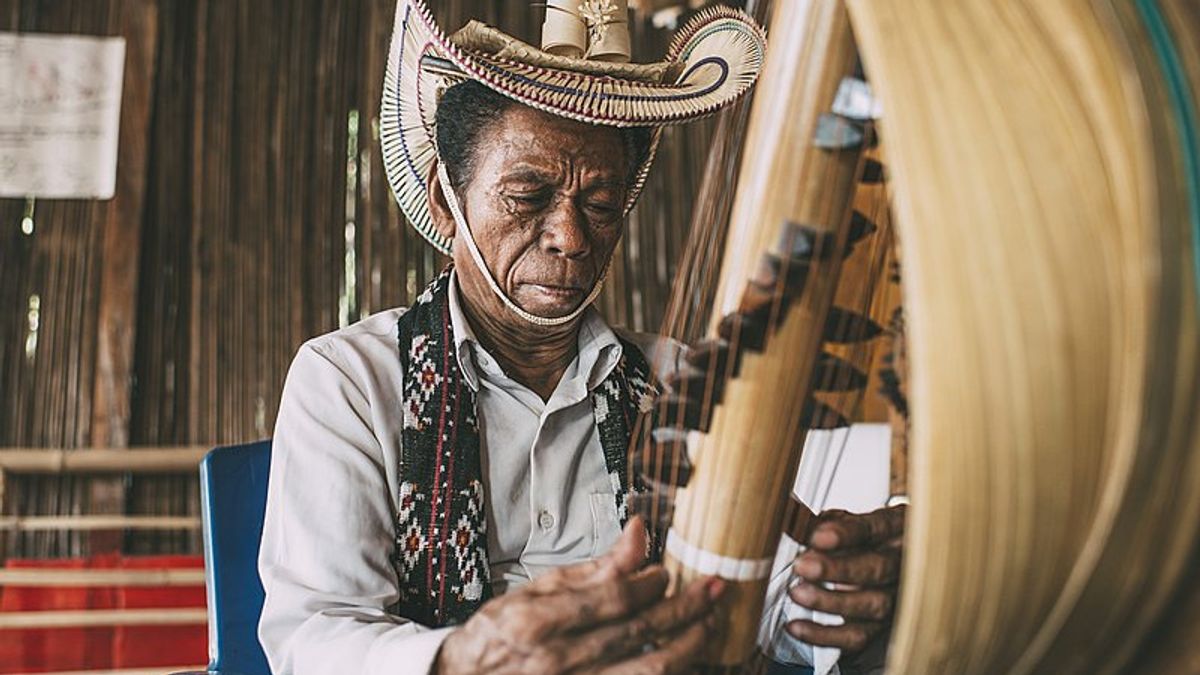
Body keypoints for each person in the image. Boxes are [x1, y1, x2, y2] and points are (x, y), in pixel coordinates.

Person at [259, 2, 903, 673]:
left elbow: (759, 598)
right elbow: (313, 636)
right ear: (448, 202)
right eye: (528, 194)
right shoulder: (350, 381)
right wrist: (460, 657)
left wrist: (842, 595)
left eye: (599, 205)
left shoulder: (678, 381)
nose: (571, 237)